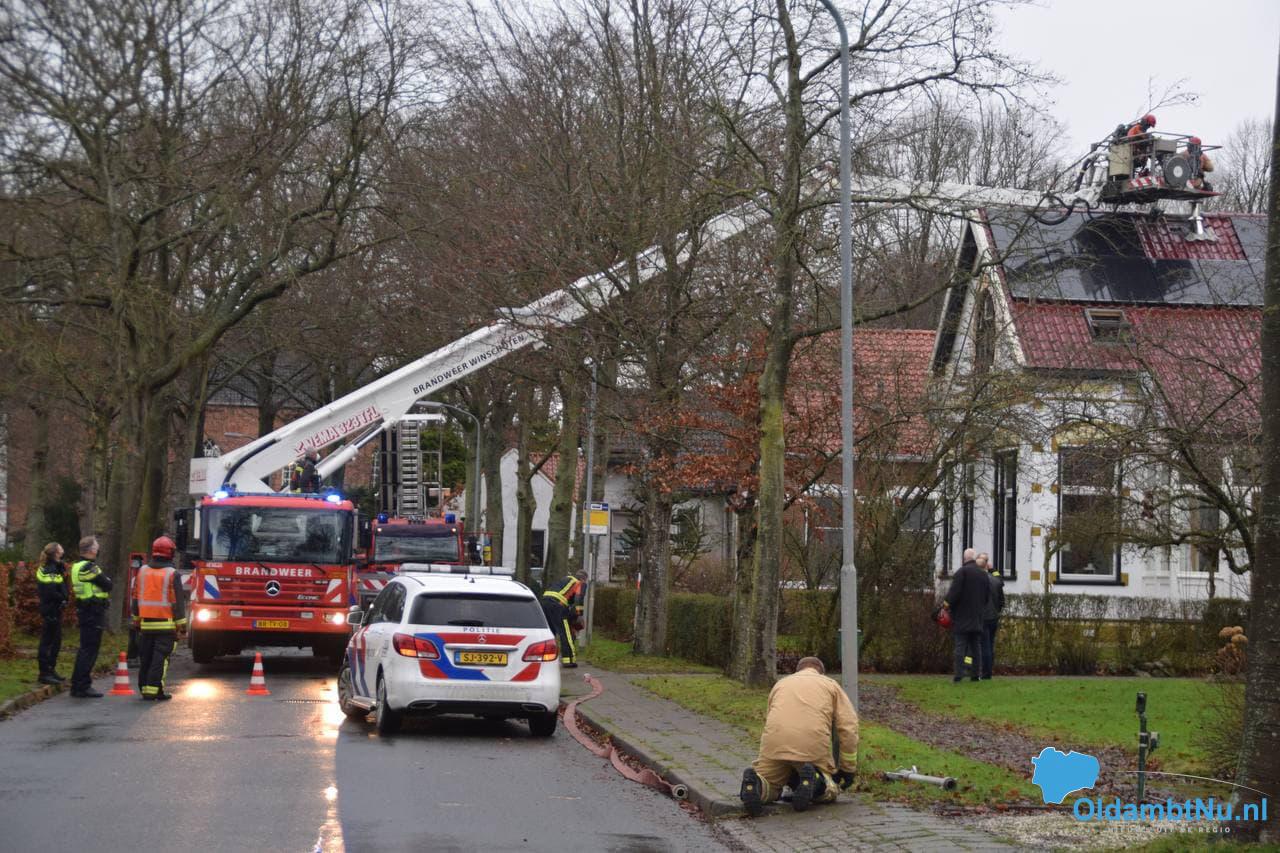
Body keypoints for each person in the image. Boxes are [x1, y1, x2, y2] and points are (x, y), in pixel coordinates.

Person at [739, 657, 859, 817]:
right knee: (830, 790)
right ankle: (814, 780)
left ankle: (756, 786)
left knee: (771, 783)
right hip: (810, 746)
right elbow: (849, 727)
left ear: (797, 670)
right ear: (820, 671)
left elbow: (771, 717)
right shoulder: (830, 685)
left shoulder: (781, 684)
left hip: (775, 744)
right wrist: (847, 769)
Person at [132, 535, 188, 701]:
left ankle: (144, 688)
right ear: (170, 553)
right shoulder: (172, 574)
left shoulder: (142, 571)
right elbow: (178, 602)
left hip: (145, 625)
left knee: (146, 658)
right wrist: (182, 626)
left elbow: (135, 598)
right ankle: (155, 690)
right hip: (165, 625)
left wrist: (136, 620)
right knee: (160, 659)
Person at [69, 536, 113, 698]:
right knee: (89, 650)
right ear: (92, 550)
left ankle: (77, 684)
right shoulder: (89, 567)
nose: (98, 549)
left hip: (86, 610)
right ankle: (82, 685)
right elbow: (108, 584)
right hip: (92, 612)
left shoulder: (77, 566)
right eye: (97, 546)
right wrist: (107, 580)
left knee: (85, 649)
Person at [943, 547, 989, 683]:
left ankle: (959, 674)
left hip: (962, 616)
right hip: (977, 616)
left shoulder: (961, 573)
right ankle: (976, 674)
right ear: (974, 559)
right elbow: (986, 597)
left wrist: (945, 605)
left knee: (960, 646)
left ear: (964, 559)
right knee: (976, 647)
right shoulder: (983, 574)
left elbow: (954, 593)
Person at [34, 542, 69, 685]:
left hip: (56, 609)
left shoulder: (55, 568)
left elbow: (60, 586)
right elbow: (50, 591)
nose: (62, 549)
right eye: (60, 548)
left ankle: (50, 669)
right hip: (51, 609)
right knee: (48, 642)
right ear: (56, 552)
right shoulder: (48, 570)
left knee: (56, 641)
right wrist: (63, 598)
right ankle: (44, 673)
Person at [540, 571, 587, 667]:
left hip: (544, 602)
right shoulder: (580, 583)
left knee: (549, 632)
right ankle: (568, 661)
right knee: (565, 633)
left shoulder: (566, 579)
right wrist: (579, 615)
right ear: (583, 579)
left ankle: (545, 658)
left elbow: (568, 598)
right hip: (557, 605)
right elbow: (579, 599)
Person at [978, 552, 1004, 680]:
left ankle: (983, 672)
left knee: (983, 646)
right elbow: (1001, 599)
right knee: (990, 645)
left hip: (982, 617)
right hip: (993, 616)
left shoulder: (977, 580)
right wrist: (993, 569)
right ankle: (988, 671)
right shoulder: (996, 580)